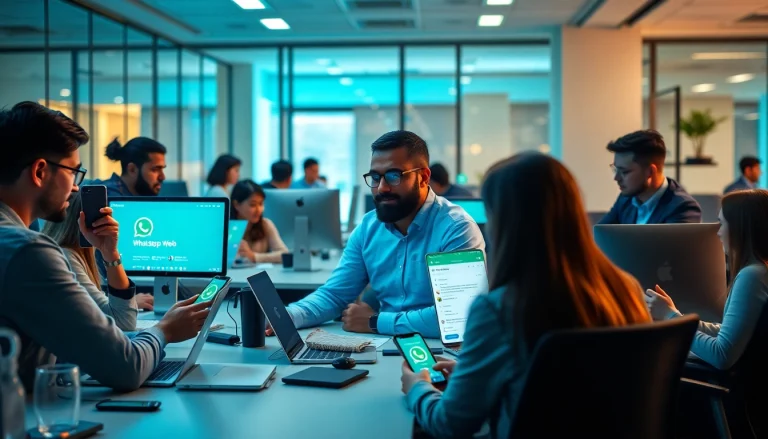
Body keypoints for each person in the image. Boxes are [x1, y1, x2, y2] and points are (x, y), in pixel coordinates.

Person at [400, 152, 651, 438]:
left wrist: (417, 386)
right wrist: (477, 373)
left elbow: (451, 425)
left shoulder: (498, 310)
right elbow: (572, 383)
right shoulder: (625, 289)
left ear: (507, 223)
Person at [0, 102, 210, 392]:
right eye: (73, 172)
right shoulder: (28, 253)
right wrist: (165, 331)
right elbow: (125, 366)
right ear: (39, 172)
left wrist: (110, 254)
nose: (76, 188)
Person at [266, 130, 485, 337]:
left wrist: (376, 322)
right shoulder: (368, 228)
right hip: (385, 347)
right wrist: (286, 317)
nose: (381, 188)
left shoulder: (456, 228)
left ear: (423, 177)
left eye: (393, 176)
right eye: (375, 177)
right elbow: (334, 295)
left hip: (440, 355)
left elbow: (458, 316)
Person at [646, 190, 768, 370]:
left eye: (722, 223)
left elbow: (721, 355)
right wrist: (675, 315)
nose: (718, 233)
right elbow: (727, 332)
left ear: (739, 228)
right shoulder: (760, 271)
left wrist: (670, 316)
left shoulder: (752, 276)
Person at [42, 192, 154, 330]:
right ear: (89, 224)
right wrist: (111, 253)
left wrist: (131, 302)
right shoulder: (65, 258)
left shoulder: (67, 254)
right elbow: (124, 322)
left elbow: (96, 307)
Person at [599, 129, 701, 224]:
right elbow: (600, 235)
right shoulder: (626, 199)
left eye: (624, 172)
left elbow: (669, 244)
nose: (616, 178)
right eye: (616, 169)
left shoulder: (683, 208)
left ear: (650, 172)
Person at [230, 180, 288, 264]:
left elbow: (284, 254)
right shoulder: (224, 227)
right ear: (236, 205)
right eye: (253, 205)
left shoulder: (265, 224)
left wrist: (254, 257)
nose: (258, 210)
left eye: (261, 204)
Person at [95, 137, 167, 197]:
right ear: (132, 169)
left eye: (162, 169)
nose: (162, 177)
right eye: (155, 170)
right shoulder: (107, 198)